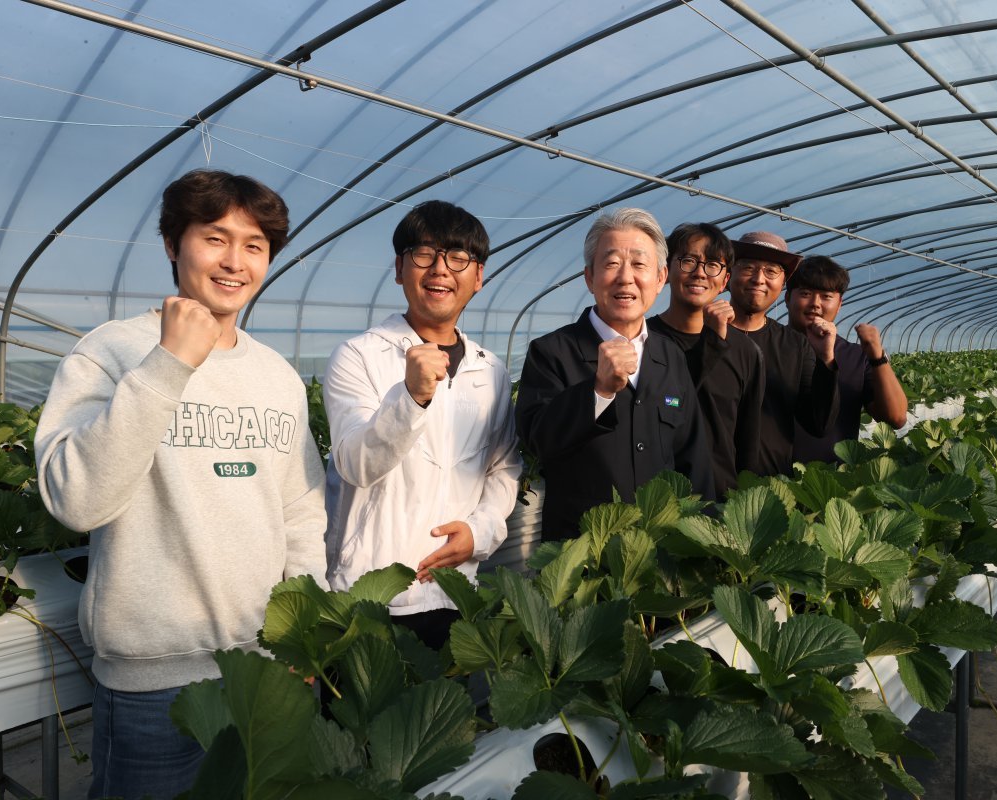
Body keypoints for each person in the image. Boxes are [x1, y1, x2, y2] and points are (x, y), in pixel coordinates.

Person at [35, 169, 328, 800]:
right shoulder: (111, 353)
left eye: (254, 245)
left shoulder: (275, 375)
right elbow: (75, 502)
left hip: (264, 668)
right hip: (152, 683)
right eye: (215, 237)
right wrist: (168, 365)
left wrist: (302, 637)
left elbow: (300, 513)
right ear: (174, 244)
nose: (235, 261)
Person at [322, 200, 520, 651]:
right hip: (370, 598)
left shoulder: (489, 370)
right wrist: (410, 397)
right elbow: (355, 464)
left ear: (479, 276)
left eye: (457, 258)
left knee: (445, 717)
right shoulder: (360, 356)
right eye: (424, 255)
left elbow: (503, 468)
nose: (440, 271)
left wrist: (481, 532)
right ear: (399, 268)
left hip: (455, 592)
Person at [516, 208, 715, 540]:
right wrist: (599, 391)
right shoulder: (552, 352)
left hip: (660, 555)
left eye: (639, 265)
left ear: (660, 278)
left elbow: (693, 459)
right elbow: (537, 441)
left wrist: (705, 541)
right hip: (583, 558)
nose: (626, 277)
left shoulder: (671, 356)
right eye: (611, 264)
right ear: (589, 277)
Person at [647, 222, 764, 496]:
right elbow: (667, 402)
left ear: (724, 281)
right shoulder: (644, 340)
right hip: (655, 498)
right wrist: (711, 340)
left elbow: (748, 440)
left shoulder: (745, 351)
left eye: (713, 265)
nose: (700, 273)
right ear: (665, 272)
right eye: (688, 261)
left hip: (721, 499)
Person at [728, 231, 839, 477]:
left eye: (771, 271)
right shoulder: (702, 333)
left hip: (769, 490)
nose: (759, 279)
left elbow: (819, 424)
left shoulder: (794, 345)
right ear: (728, 275)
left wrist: (826, 360)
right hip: (704, 489)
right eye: (747, 267)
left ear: (782, 284)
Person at [786, 255, 908, 463]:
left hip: (835, 481)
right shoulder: (767, 345)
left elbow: (896, 418)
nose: (815, 304)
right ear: (788, 298)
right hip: (767, 480)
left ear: (839, 303)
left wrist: (877, 356)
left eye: (826, 296)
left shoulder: (856, 356)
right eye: (805, 293)